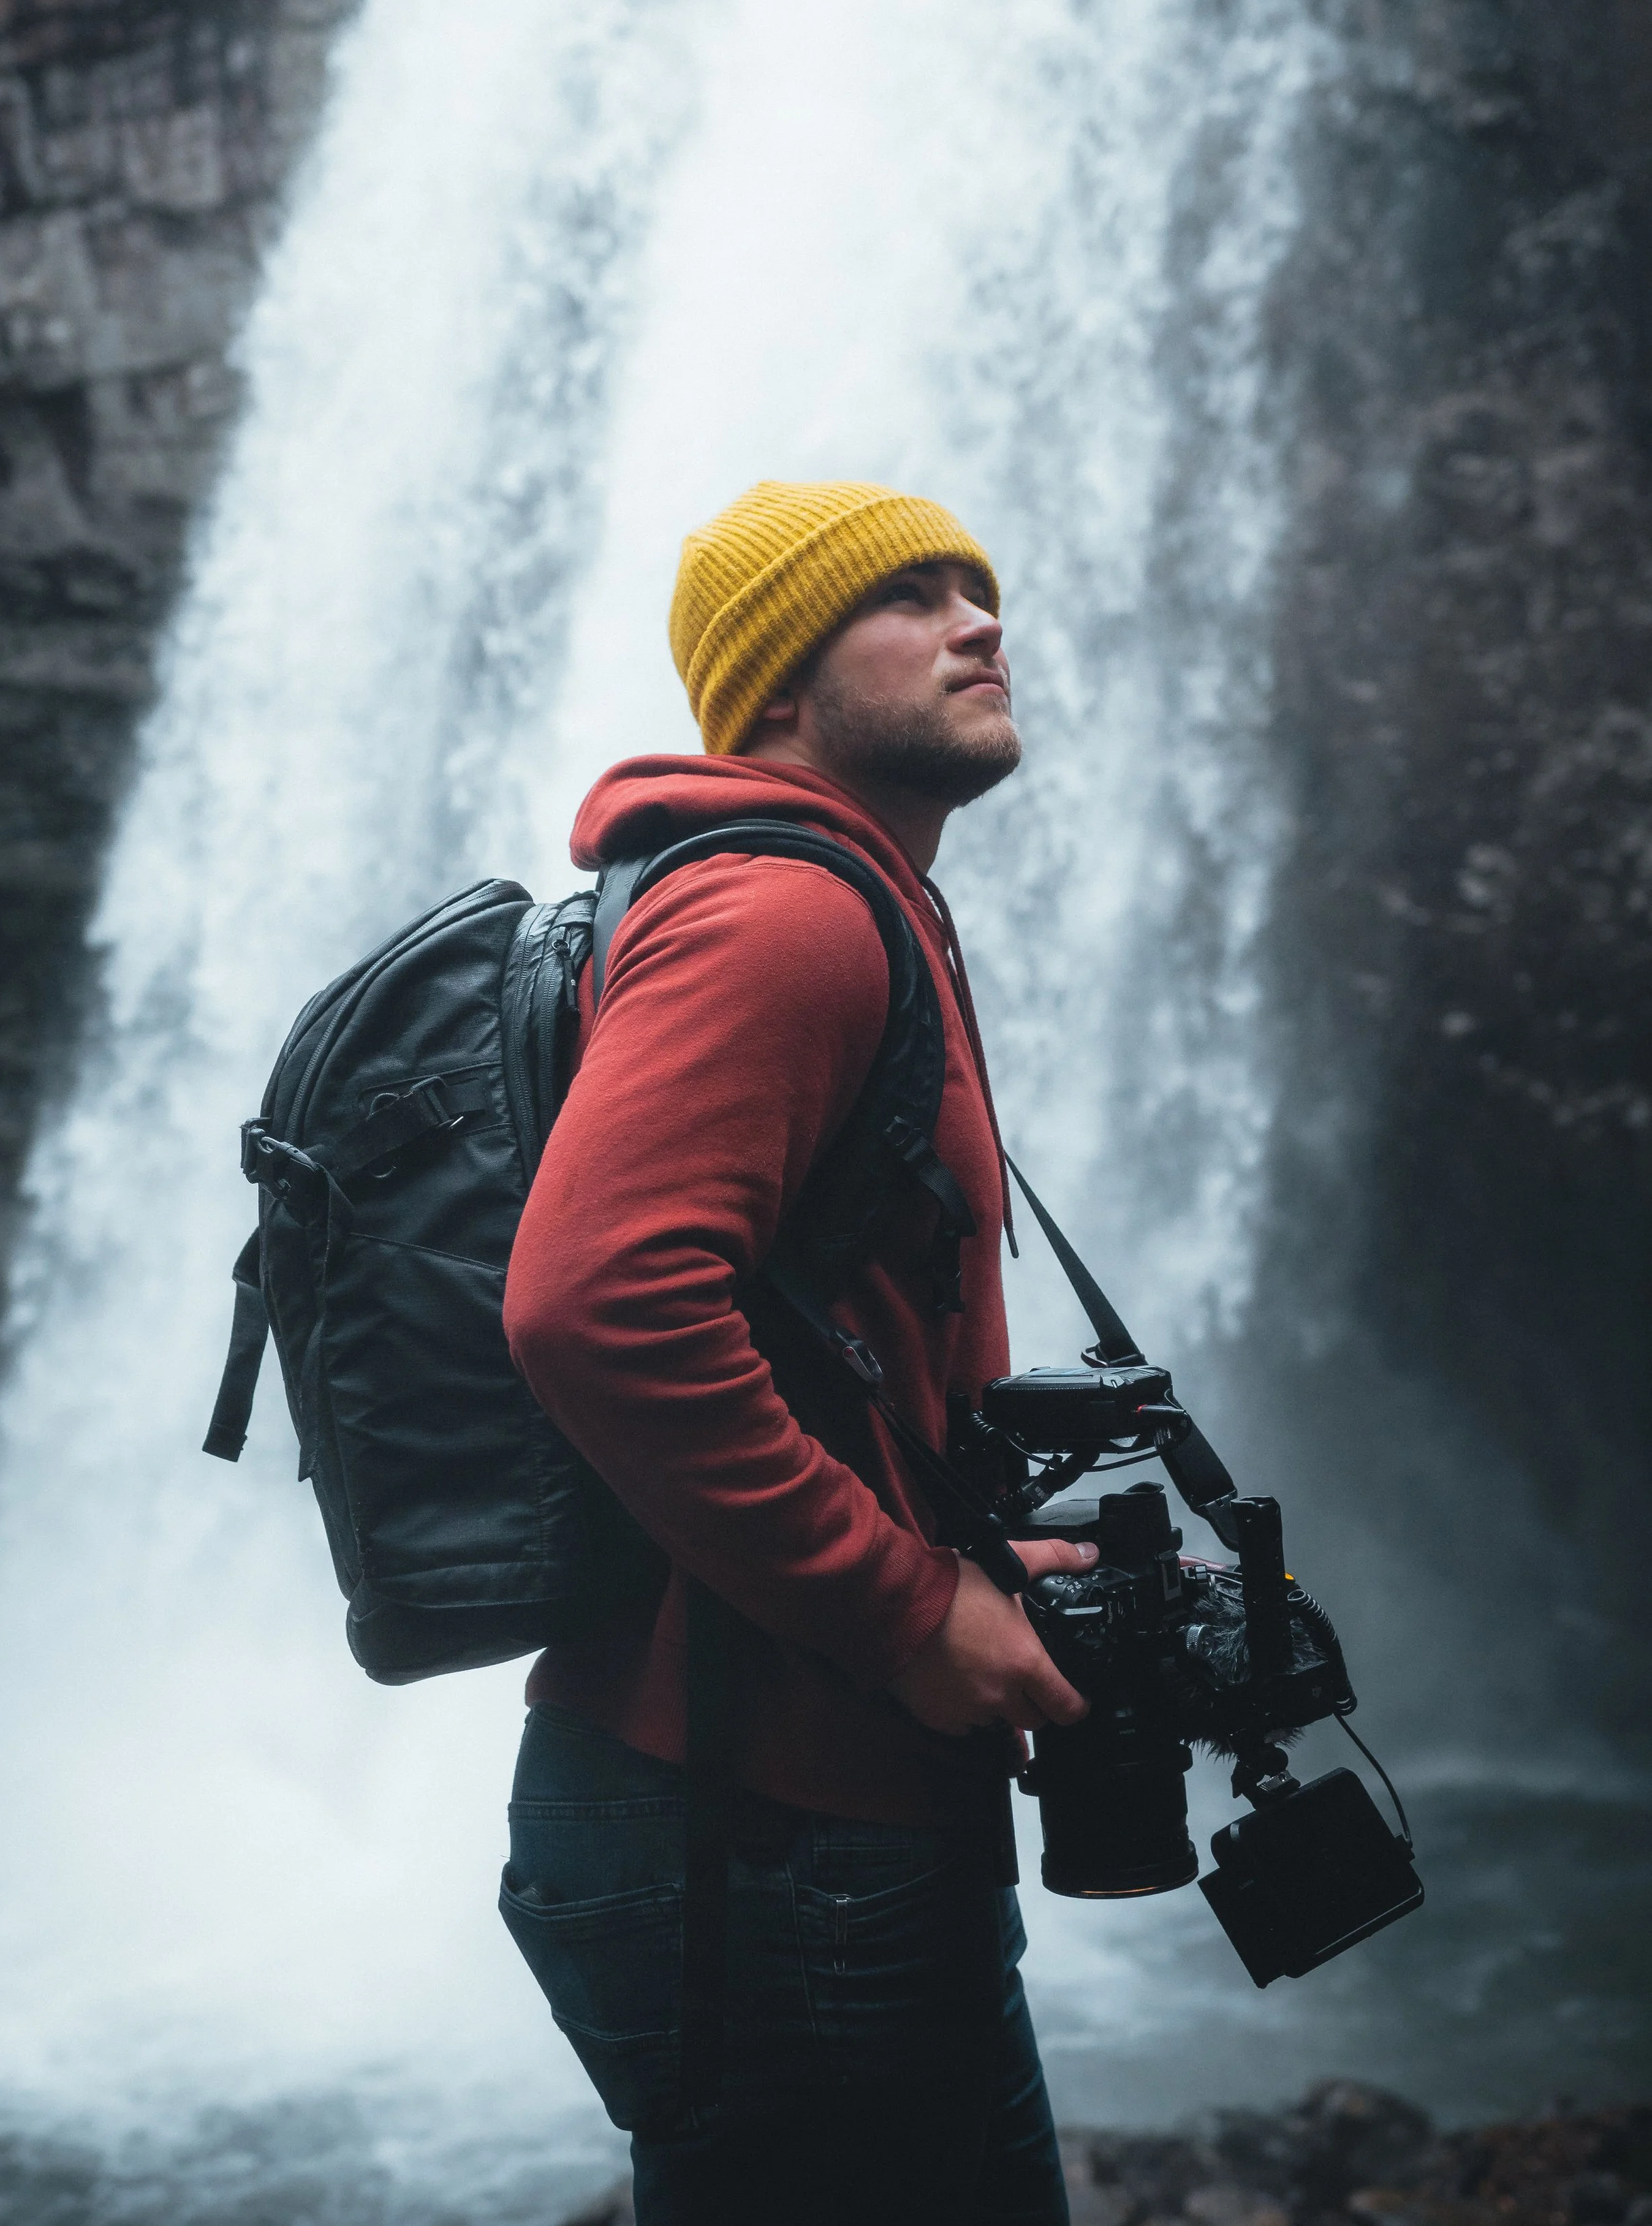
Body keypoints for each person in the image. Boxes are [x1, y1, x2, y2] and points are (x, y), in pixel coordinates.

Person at [501, 480, 1098, 2225]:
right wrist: (907, 1611)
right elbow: (595, 1301)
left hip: (771, 1813)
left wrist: (968, 1557)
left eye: (976, 588)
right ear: (773, 680)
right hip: (765, 1824)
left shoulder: (841, 898)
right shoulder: (785, 916)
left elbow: (820, 1334)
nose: (977, 622)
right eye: (907, 598)